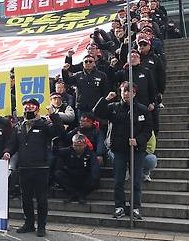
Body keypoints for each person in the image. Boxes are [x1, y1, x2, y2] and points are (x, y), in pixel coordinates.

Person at [3, 98, 63, 237]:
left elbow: (59, 132)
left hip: (41, 167)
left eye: (31, 107)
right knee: (26, 198)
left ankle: (41, 226)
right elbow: (13, 144)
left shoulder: (44, 124)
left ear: (37, 109)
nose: (28, 109)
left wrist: (54, 115)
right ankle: (29, 223)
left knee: (41, 198)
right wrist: (7, 152)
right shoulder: (19, 126)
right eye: (26, 107)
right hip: (24, 167)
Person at [93, 82, 153, 220]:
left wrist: (138, 140)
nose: (126, 93)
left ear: (134, 93)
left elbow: (148, 130)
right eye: (123, 91)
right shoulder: (113, 107)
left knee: (136, 180)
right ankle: (119, 206)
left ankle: (136, 207)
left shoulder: (142, 109)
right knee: (118, 180)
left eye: (129, 91)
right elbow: (96, 112)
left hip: (136, 150)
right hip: (119, 150)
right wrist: (106, 99)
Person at [53, 134, 98, 204]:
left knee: (94, 178)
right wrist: (55, 145)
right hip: (71, 175)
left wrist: (94, 177)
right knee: (58, 174)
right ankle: (72, 194)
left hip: (84, 177)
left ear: (85, 145)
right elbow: (57, 152)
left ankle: (81, 195)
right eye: (75, 146)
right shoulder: (68, 150)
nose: (78, 148)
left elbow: (94, 167)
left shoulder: (90, 154)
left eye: (80, 146)